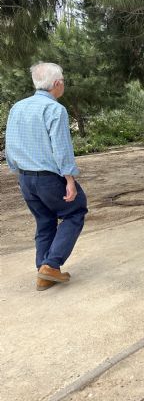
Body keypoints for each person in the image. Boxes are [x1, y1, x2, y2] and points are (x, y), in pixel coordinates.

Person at [5, 62, 88, 291]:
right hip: (49, 179)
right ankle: (51, 266)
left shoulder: (17, 107)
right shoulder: (54, 109)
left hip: (26, 178)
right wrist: (69, 179)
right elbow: (61, 148)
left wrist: (18, 172)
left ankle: (43, 273)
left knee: (45, 221)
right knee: (76, 210)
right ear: (57, 84)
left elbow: (10, 145)